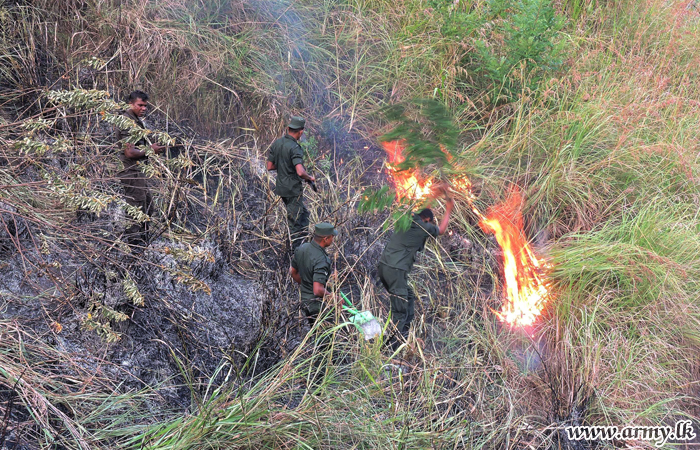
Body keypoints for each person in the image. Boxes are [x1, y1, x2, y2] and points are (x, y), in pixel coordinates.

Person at [378, 192, 455, 349]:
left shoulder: (406, 219)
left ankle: (404, 335)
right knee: (400, 311)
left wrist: (435, 193)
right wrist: (448, 209)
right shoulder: (422, 226)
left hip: (384, 267)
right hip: (397, 271)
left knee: (409, 296)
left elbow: (422, 209)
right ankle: (390, 348)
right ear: (427, 220)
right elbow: (440, 230)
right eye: (429, 222)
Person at [114, 90, 166, 246]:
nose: (144, 109)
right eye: (140, 105)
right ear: (131, 104)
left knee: (148, 208)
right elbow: (129, 152)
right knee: (136, 211)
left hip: (138, 171)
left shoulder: (135, 119)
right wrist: (150, 151)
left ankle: (143, 242)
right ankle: (134, 246)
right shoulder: (126, 121)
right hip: (131, 171)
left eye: (145, 106)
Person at [266, 117, 315, 251]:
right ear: (301, 132)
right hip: (293, 190)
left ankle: (304, 245)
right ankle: (296, 254)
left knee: (304, 215)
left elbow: (270, 166)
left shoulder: (277, 143)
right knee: (295, 222)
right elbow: (300, 172)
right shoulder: (295, 147)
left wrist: (284, 165)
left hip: (282, 189)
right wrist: (309, 177)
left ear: (288, 129)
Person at [289, 222, 339, 327]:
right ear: (325, 239)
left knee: (314, 333)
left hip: (304, 301)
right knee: (325, 340)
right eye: (332, 237)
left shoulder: (302, 248)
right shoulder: (322, 260)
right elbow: (317, 290)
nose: (333, 240)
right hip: (317, 306)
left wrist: (307, 285)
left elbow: (293, 272)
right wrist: (333, 298)